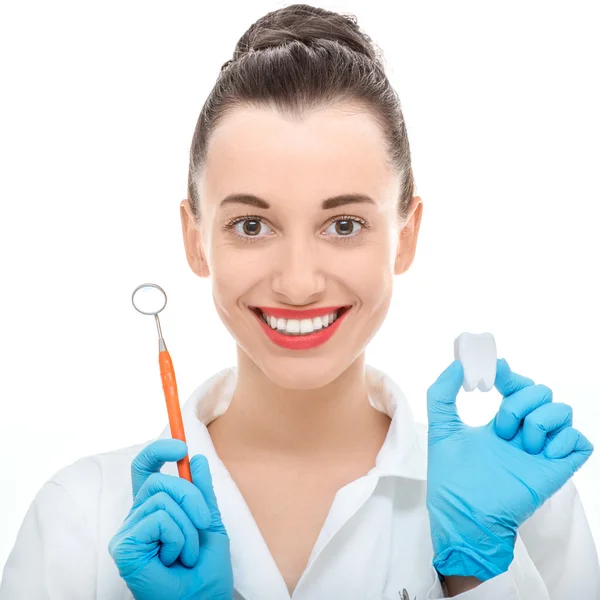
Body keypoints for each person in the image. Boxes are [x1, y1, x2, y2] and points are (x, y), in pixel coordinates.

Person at [1, 4, 599, 599]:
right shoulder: (82, 520)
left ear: (406, 235)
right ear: (195, 239)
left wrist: (472, 575)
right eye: (252, 226)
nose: (297, 283)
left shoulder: (524, 512)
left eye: (343, 225)